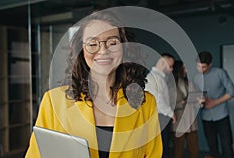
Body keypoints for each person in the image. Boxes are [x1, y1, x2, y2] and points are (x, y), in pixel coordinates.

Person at [25, 11, 162, 158]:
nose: (103, 50)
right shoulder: (53, 102)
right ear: (81, 50)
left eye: (112, 42)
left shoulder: (146, 104)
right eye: (92, 43)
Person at [193, 51, 234, 158]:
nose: (200, 70)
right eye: (198, 66)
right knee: (212, 146)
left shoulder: (220, 73)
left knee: (227, 146)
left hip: (221, 115)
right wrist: (198, 101)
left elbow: (232, 92)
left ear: (210, 65)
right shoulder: (195, 77)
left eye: (203, 67)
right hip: (206, 117)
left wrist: (214, 103)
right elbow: (194, 96)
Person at [145, 53, 176, 158]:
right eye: (170, 66)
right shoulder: (153, 78)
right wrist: (171, 113)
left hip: (161, 116)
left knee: (165, 146)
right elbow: (157, 100)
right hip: (159, 117)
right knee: (162, 148)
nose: (171, 69)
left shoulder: (159, 78)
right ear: (163, 63)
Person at [172, 60, 199, 158]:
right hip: (179, 122)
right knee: (178, 150)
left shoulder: (189, 82)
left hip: (191, 122)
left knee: (194, 150)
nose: (186, 70)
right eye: (184, 68)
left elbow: (196, 99)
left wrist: (199, 101)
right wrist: (181, 103)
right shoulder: (171, 85)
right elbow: (167, 105)